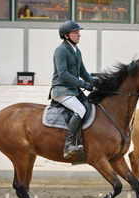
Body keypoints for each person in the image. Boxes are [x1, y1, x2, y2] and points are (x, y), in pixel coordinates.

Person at [50, 20, 95, 159]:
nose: (79, 35)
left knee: (91, 107)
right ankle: (69, 144)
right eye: (75, 32)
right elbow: (63, 74)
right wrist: (84, 84)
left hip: (73, 90)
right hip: (61, 90)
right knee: (80, 110)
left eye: (78, 32)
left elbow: (83, 72)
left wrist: (95, 83)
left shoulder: (76, 50)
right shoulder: (61, 50)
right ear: (66, 36)